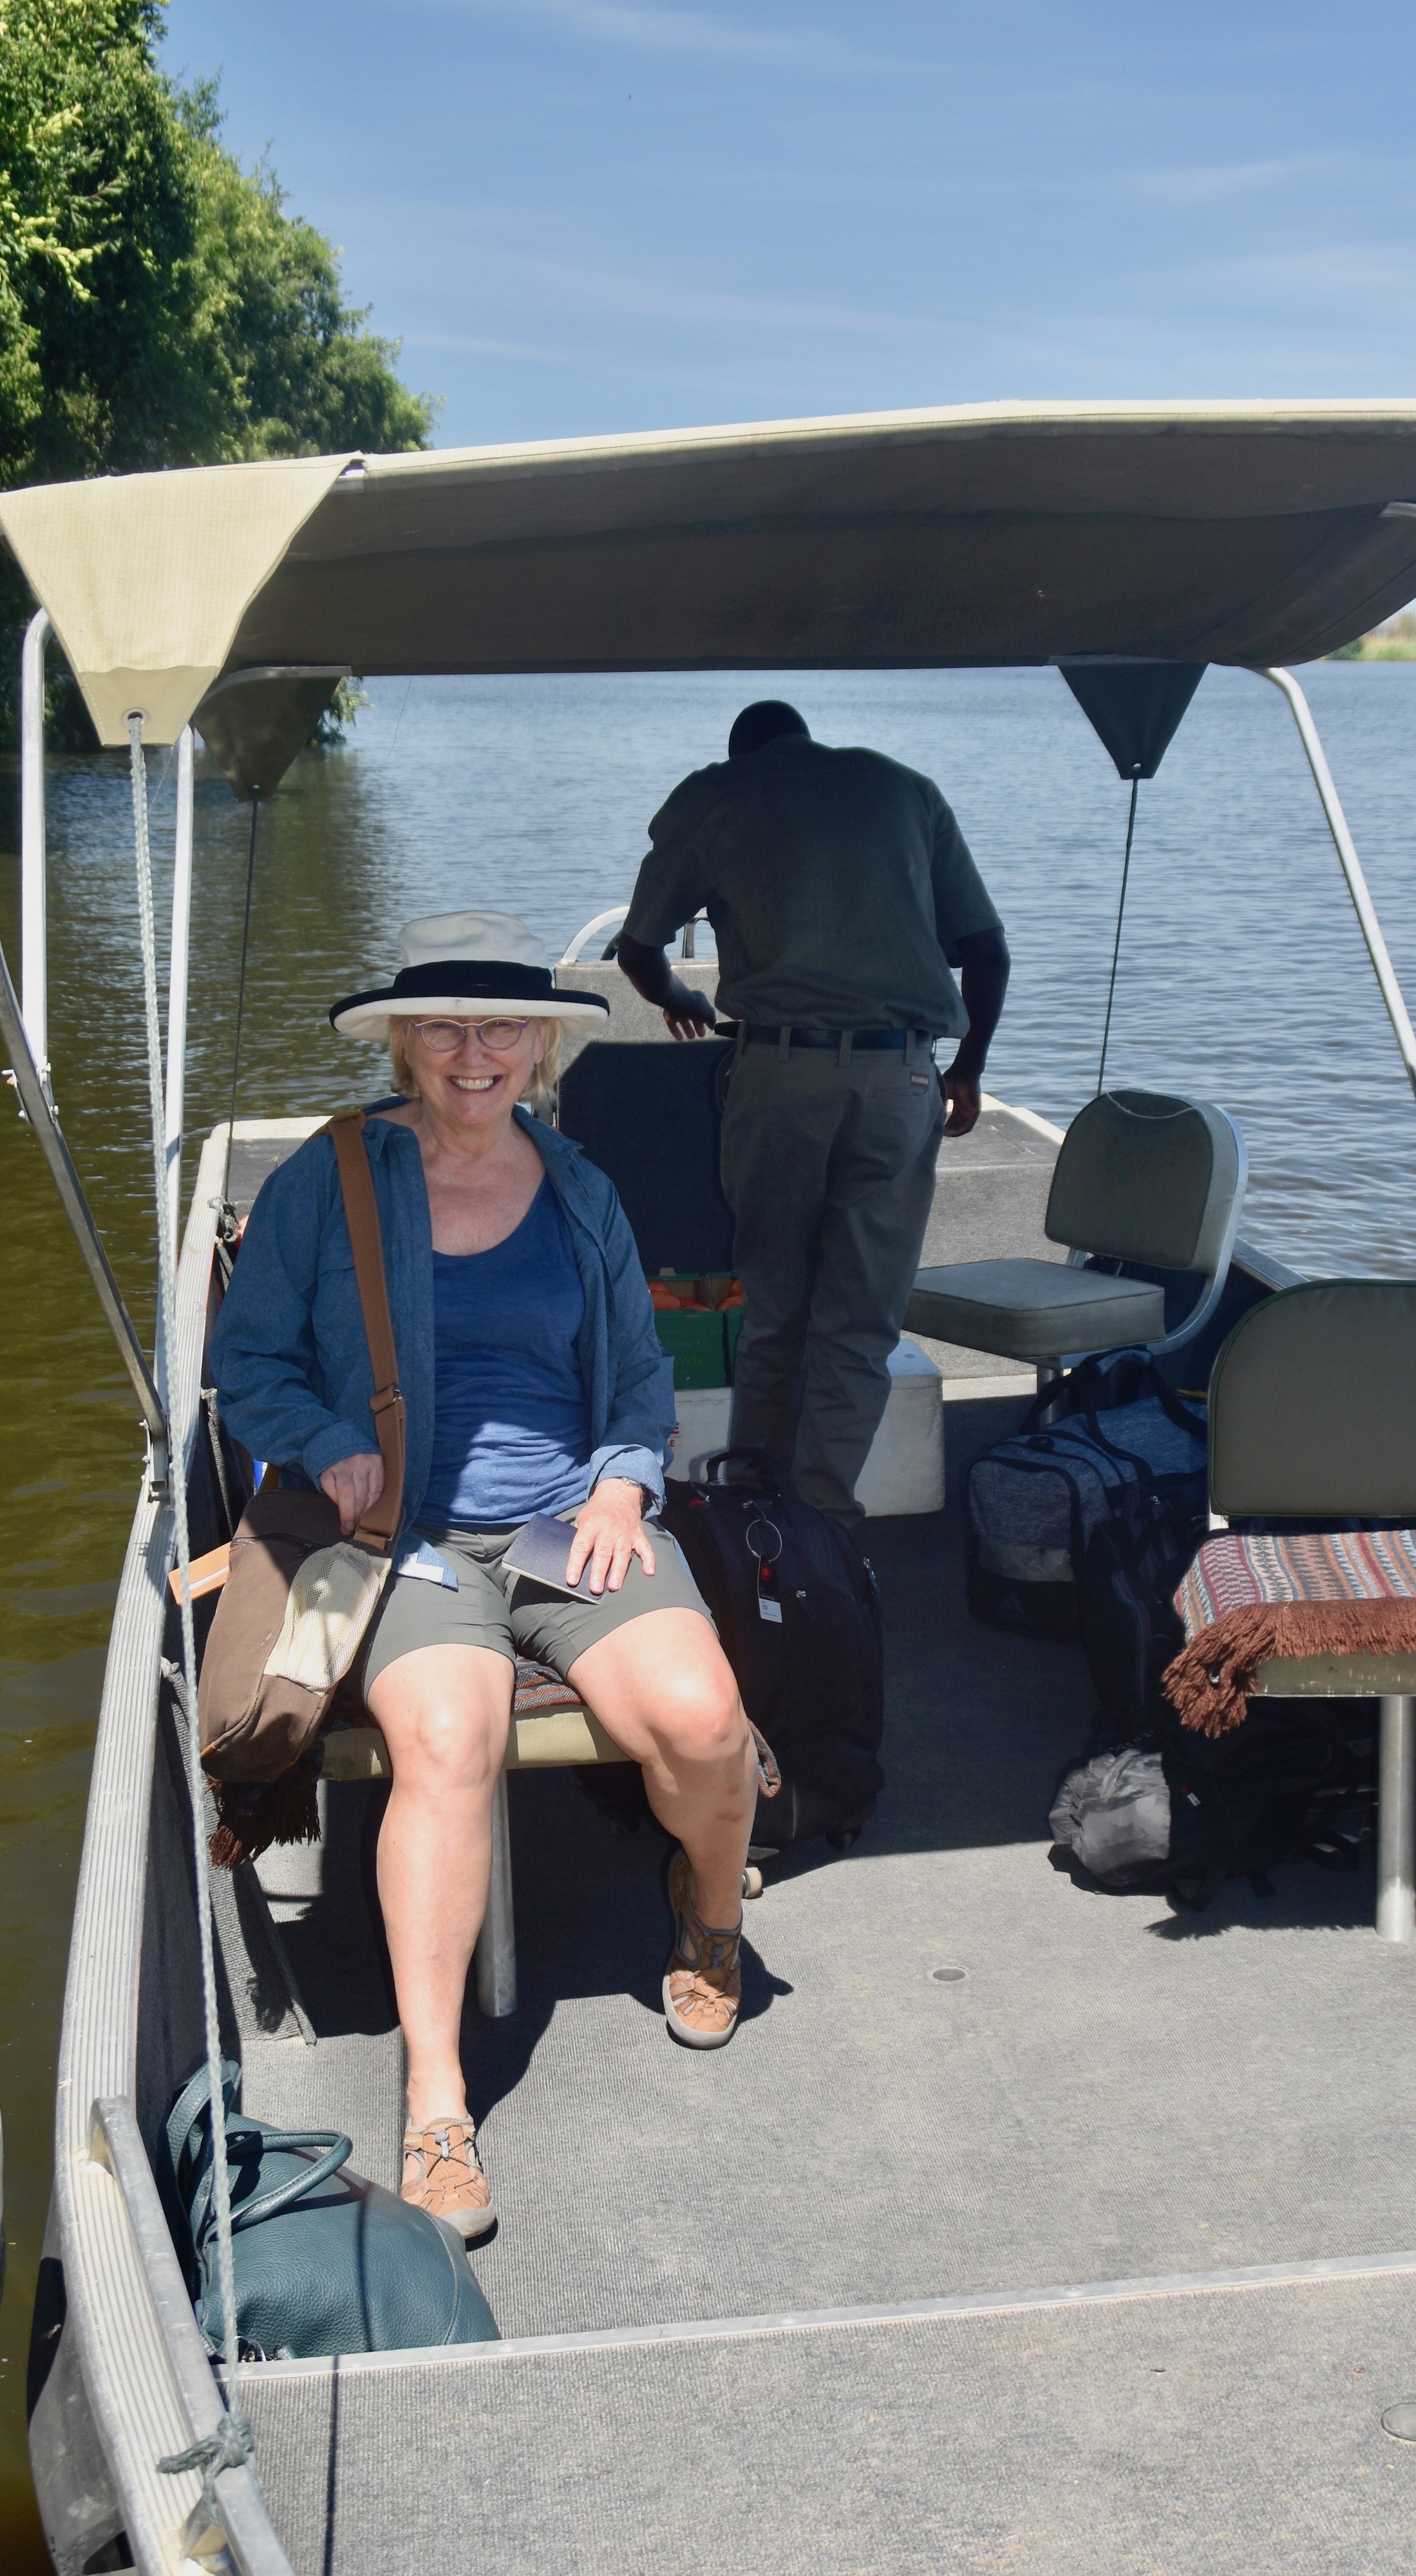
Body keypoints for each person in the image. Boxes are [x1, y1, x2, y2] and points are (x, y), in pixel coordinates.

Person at [211, 912, 763, 2242]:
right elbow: (254, 1359)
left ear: (540, 1044)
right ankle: (438, 2099)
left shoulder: (578, 1185)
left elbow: (638, 1371)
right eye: (447, 1026)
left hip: (566, 1522)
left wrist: (626, 1476)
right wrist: (332, 1440)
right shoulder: (328, 1179)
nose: (476, 1052)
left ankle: (706, 1912)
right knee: (446, 1739)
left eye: (501, 1026)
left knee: (699, 1722)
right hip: (405, 1536)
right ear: (405, 1042)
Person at [617, 701, 1009, 1526]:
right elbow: (986, 949)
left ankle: (755, 1506)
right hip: (901, 1077)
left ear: (742, 752)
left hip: (778, 1075)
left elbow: (640, 948)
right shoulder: (906, 791)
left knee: (773, 1306)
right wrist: (964, 1073)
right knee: (859, 1322)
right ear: (806, 739)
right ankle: (824, 1524)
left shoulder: (716, 795)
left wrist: (682, 995)